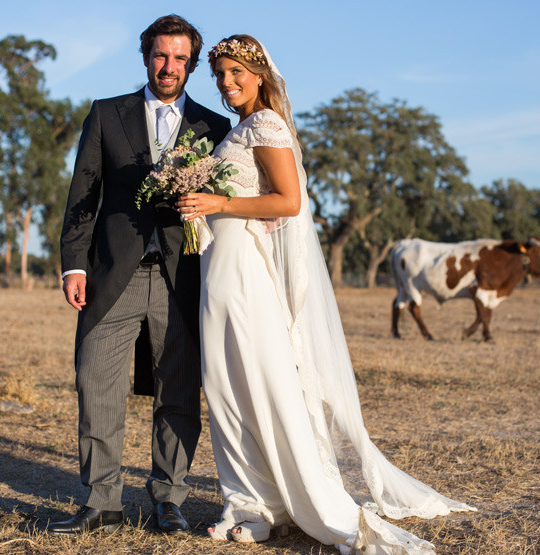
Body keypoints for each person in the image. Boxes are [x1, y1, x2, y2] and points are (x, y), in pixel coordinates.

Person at [176, 35, 475, 553]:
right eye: (219, 74)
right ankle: (250, 504)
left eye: (235, 73)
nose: (227, 83)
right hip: (217, 271)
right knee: (226, 390)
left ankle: (288, 502)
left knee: (259, 386)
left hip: (244, 272)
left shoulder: (266, 125)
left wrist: (216, 201)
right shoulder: (240, 128)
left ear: (260, 74)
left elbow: (288, 201)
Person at [49, 15, 231, 536]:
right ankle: (102, 501)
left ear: (192, 65)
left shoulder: (214, 129)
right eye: (159, 54)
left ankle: (168, 501)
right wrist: (75, 262)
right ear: (145, 56)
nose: (168, 66)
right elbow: (83, 192)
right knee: (95, 381)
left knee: (177, 391)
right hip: (113, 274)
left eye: (179, 58)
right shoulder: (107, 115)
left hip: (184, 276)